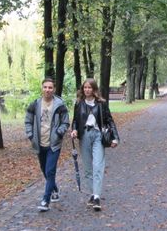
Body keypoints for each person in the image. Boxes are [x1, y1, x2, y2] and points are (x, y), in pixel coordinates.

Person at [70, 78, 119, 211]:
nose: (87, 90)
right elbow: (75, 121)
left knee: (98, 165)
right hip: (84, 135)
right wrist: (74, 130)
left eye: (89, 87)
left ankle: (96, 196)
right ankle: (92, 193)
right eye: (85, 87)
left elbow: (109, 120)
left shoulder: (101, 104)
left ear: (94, 89)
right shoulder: (79, 103)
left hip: (98, 135)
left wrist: (115, 138)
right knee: (87, 168)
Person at [25, 77, 70, 212]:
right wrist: (30, 135)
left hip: (54, 144)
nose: (47, 90)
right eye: (45, 87)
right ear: (42, 88)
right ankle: (54, 189)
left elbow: (65, 122)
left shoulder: (60, 105)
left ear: (54, 89)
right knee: (45, 170)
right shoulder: (35, 104)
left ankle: (45, 200)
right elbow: (28, 121)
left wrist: (59, 133)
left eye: (50, 87)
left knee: (50, 171)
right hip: (39, 144)